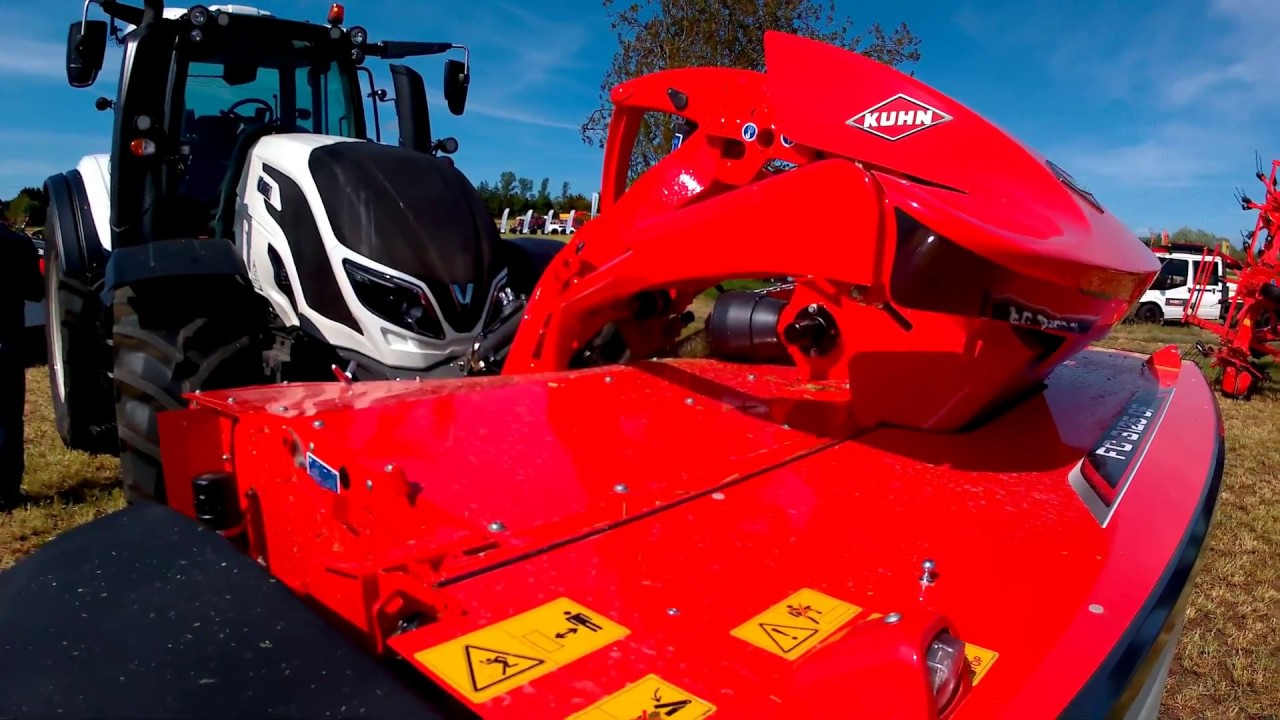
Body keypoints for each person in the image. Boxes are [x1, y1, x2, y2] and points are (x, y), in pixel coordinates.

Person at [0, 223, 44, 509]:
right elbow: (36, 291)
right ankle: (6, 491)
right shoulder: (17, 243)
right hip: (7, 341)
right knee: (7, 418)